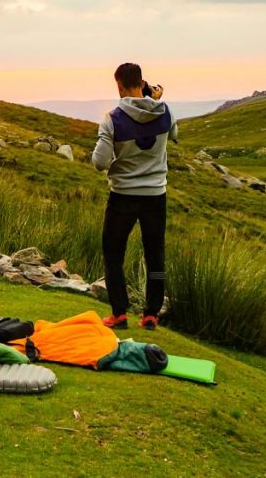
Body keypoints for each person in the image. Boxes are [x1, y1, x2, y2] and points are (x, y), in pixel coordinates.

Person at [91, 63, 178, 331]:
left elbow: (100, 162)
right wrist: (154, 100)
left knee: (114, 251)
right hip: (155, 194)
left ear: (118, 85)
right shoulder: (166, 112)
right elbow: (174, 135)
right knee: (155, 252)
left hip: (123, 196)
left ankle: (119, 314)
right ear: (142, 83)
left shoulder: (112, 119)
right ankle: (151, 314)